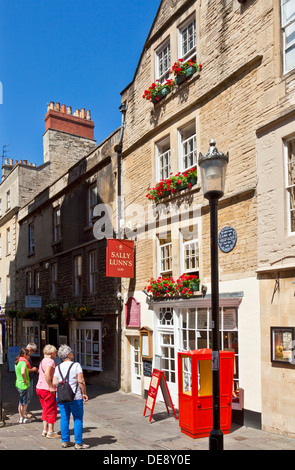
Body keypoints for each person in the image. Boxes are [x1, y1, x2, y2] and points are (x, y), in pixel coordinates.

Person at [53, 344, 89, 449]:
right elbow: (81, 381)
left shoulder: (58, 367)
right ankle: (78, 443)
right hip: (75, 396)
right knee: (78, 418)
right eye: (71, 352)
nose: (72, 353)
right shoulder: (76, 365)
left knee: (64, 417)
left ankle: (65, 441)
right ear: (68, 354)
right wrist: (84, 393)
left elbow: (55, 382)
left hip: (61, 396)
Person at [36, 344, 60, 438]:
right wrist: (51, 387)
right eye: (55, 352)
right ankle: (51, 431)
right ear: (50, 353)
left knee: (45, 409)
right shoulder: (50, 361)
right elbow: (47, 374)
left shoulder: (43, 360)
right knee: (51, 409)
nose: (56, 354)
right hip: (47, 389)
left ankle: (44, 430)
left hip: (39, 387)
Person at [14, 348, 31, 423]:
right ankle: (23, 416)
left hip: (18, 383)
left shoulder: (17, 362)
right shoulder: (23, 363)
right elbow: (23, 372)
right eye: (28, 355)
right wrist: (25, 380)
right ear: (24, 355)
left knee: (20, 402)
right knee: (24, 402)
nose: (29, 356)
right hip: (23, 385)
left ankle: (20, 417)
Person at [25, 342, 38, 419]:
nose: (33, 352)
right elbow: (24, 369)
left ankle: (26, 411)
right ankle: (25, 412)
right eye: (33, 351)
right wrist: (32, 369)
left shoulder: (25, 356)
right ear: (30, 349)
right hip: (28, 379)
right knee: (28, 396)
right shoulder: (26, 357)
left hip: (28, 378)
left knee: (26, 396)